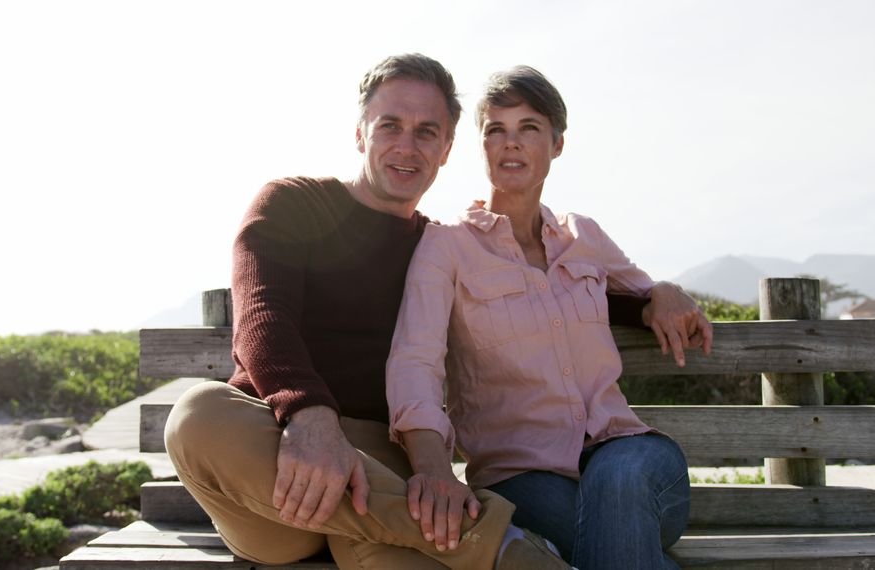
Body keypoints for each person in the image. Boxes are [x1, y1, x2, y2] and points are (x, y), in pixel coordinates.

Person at [164, 54, 706, 569]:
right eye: (390, 125)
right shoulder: (294, 203)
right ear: (360, 133)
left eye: (427, 132)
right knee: (197, 416)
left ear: (447, 148)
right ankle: (502, 550)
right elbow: (262, 318)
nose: (407, 145)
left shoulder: (440, 247)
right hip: (280, 458)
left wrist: (657, 293)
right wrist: (310, 418)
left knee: (393, 532)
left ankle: (471, 541)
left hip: (384, 461)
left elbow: (559, 292)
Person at [387, 65, 713, 569]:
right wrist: (432, 468)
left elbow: (641, 290)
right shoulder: (445, 247)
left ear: (556, 144)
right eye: (496, 130)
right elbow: (415, 360)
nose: (510, 144)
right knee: (617, 540)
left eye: (528, 129)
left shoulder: (584, 236)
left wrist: (666, 290)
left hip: (628, 455)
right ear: (482, 147)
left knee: (618, 484)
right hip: (521, 477)